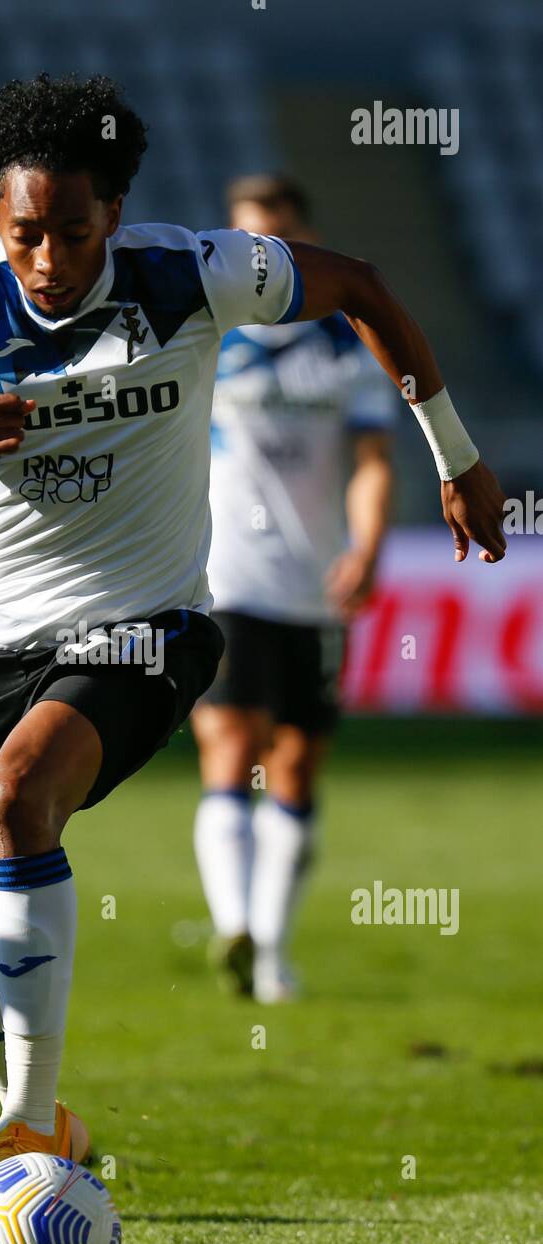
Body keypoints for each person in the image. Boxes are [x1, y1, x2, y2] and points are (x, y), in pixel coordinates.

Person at [0, 74, 506, 1166]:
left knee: (18, 802)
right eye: (26, 235)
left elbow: (366, 290)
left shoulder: (195, 273)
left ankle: (29, 1126)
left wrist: (457, 456)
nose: (50, 262)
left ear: (113, 212)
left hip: (144, 622)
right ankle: (40, 1116)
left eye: (72, 231)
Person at [193, 173, 395, 1002]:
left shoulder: (348, 346)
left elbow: (372, 462)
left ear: (302, 244)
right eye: (248, 243)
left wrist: (370, 544)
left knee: (299, 764)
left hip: (313, 581)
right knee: (232, 741)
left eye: (275, 243)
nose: (261, 259)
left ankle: (270, 949)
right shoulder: (203, 338)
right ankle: (236, 926)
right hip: (223, 573)